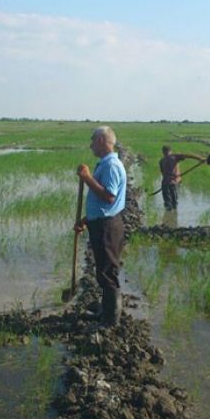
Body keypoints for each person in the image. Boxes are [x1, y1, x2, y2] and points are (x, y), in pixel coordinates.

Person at [74, 126, 127, 327]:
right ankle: (106, 311)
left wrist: (87, 178)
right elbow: (103, 205)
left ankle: (109, 321)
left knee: (107, 272)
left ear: (102, 141)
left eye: (92, 141)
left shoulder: (111, 165)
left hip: (107, 227)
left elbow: (109, 197)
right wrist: (86, 221)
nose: (90, 145)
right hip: (102, 223)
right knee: (104, 270)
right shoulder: (105, 164)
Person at [158, 145, 204, 211]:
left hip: (165, 183)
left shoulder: (161, 160)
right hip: (173, 183)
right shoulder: (174, 156)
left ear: (163, 152)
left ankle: (168, 218)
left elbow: (163, 173)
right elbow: (188, 155)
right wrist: (200, 158)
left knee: (168, 205)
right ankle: (173, 218)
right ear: (170, 151)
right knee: (174, 204)